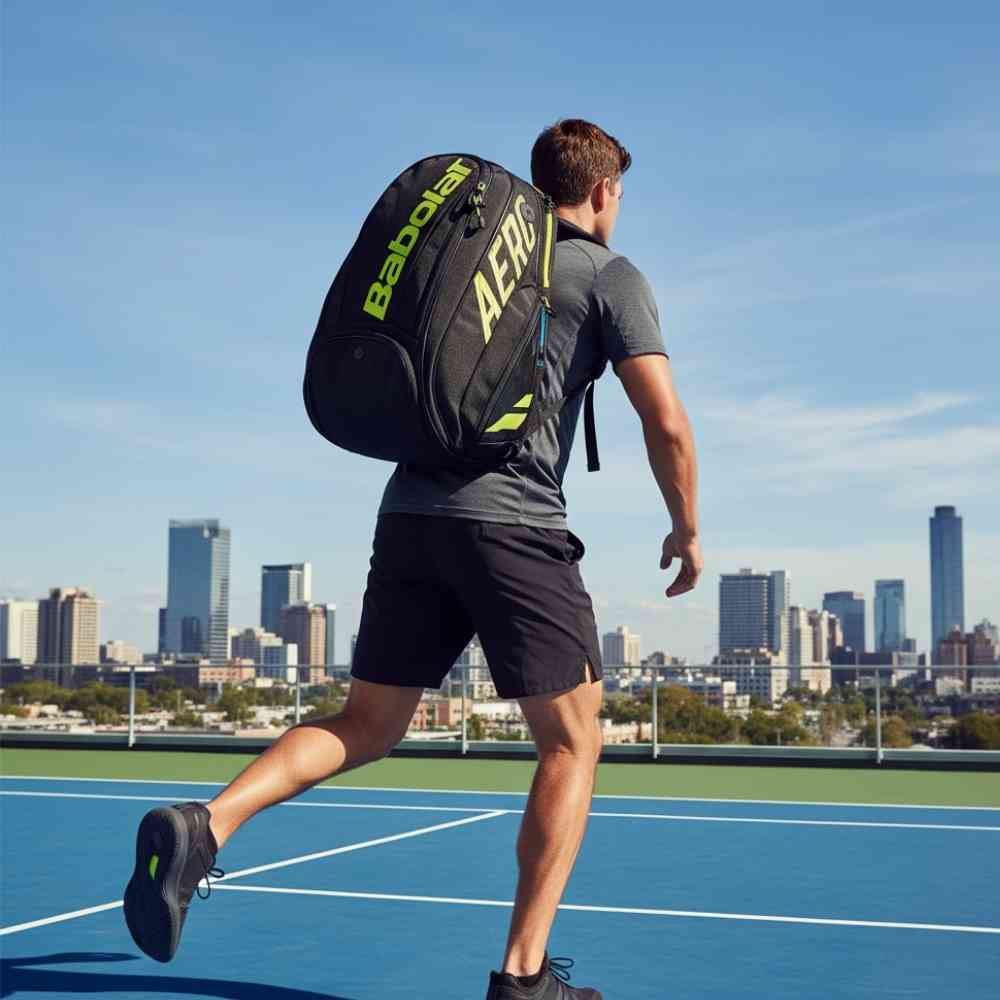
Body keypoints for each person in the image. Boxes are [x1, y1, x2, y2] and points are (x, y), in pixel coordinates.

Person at [123, 118, 703, 1000]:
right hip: (514, 527)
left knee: (367, 723)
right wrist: (686, 525)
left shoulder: (480, 260)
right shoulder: (607, 273)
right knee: (573, 743)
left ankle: (207, 822)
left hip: (409, 517)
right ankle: (524, 978)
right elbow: (664, 417)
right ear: (605, 190)